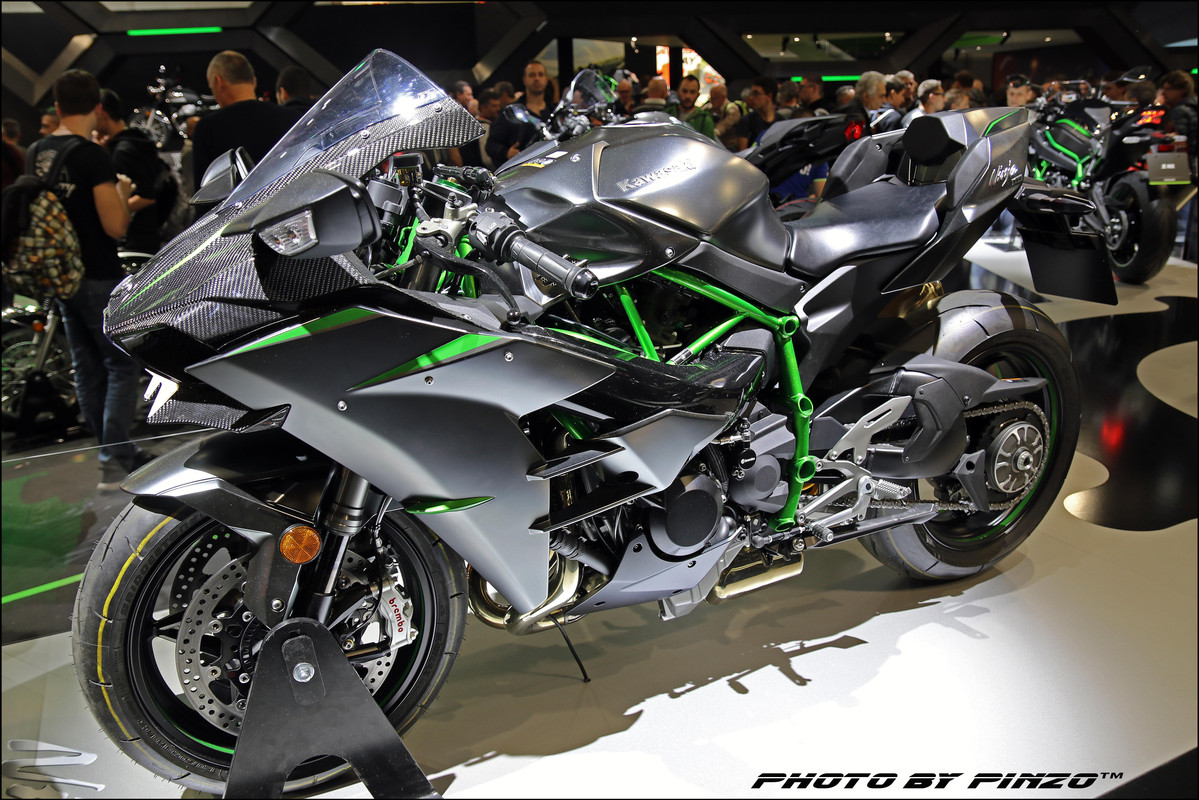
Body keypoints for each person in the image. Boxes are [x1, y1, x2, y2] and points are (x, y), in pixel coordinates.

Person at [25, 69, 150, 489]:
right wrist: (123, 192)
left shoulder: (38, 151)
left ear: (58, 106)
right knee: (120, 364)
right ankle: (114, 460)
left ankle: (114, 453)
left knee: (87, 367)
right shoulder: (92, 156)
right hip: (97, 272)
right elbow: (115, 226)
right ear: (97, 107)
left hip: (60, 276)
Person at [191, 50, 302, 190]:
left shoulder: (207, 128)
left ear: (218, 81)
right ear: (254, 81)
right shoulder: (293, 118)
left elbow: (204, 194)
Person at [94, 89, 171, 255]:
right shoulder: (134, 140)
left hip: (136, 241)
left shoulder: (124, 150)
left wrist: (112, 211)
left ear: (102, 114)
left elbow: (146, 196)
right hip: (144, 236)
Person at [485, 61, 554, 167]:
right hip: (523, 171)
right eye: (532, 75)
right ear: (524, 80)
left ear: (546, 79)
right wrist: (506, 152)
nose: (537, 78)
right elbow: (491, 145)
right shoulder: (511, 112)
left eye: (540, 74)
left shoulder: (553, 111)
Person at [665, 74, 715, 139]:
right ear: (678, 92)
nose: (688, 96)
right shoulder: (667, 113)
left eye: (692, 92)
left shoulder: (704, 119)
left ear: (698, 94)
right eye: (684, 91)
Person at [736, 76, 779, 150]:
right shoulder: (747, 121)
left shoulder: (780, 121)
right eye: (751, 94)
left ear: (769, 96)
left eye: (756, 94)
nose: (751, 98)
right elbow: (742, 153)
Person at [709, 83, 742, 151]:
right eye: (710, 97)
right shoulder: (709, 108)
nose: (711, 100)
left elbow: (724, 126)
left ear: (722, 97)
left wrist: (714, 132)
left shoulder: (732, 110)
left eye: (714, 98)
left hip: (728, 148)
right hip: (714, 144)